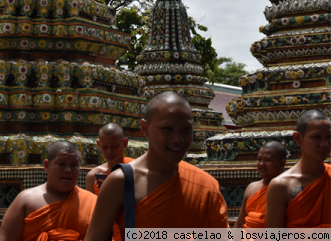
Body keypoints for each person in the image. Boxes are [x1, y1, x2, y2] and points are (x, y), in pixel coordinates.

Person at [84, 91, 228, 241]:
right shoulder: (120, 181)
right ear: (144, 128)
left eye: (186, 129)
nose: (178, 139)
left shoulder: (206, 185)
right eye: (167, 129)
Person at [0, 140, 97, 241]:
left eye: (74, 165)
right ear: (47, 166)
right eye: (61, 163)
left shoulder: (92, 202)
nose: (68, 170)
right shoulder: (25, 200)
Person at [266, 109, 331, 228]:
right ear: (298, 138)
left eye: (329, 137)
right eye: (316, 137)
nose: (325, 144)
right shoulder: (281, 185)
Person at [235, 141, 286, 228]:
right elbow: (239, 224)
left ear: (281, 164)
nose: (261, 164)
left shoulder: (287, 189)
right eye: (259, 159)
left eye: (267, 160)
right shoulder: (251, 188)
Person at [85, 122, 133, 196]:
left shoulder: (134, 168)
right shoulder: (92, 176)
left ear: (125, 143)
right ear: (98, 145)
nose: (109, 152)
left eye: (114, 146)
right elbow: (91, 205)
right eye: (104, 147)